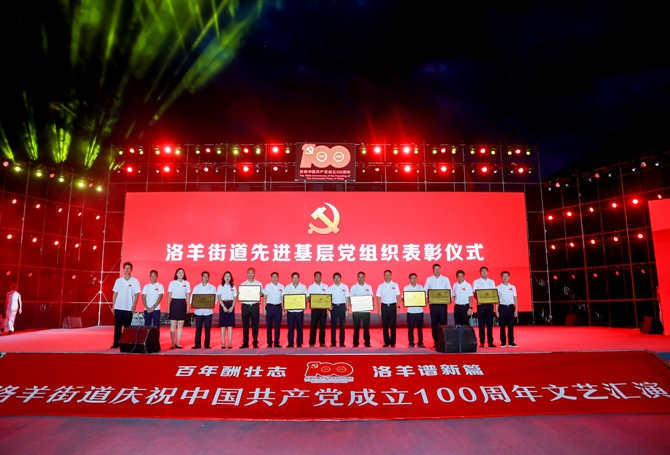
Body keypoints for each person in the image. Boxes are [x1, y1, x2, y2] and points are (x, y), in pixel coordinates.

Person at [111, 262, 141, 348]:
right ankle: (116, 343)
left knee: (127, 327)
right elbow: (115, 293)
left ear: (131, 269)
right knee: (117, 326)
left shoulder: (135, 281)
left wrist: (134, 305)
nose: (127, 269)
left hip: (129, 307)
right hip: (118, 307)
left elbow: (136, 294)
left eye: (129, 268)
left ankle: (126, 343)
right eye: (125, 268)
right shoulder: (118, 281)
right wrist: (113, 305)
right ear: (123, 269)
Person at [424, 263, 451, 347]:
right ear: (433, 270)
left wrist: (449, 299)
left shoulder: (445, 279)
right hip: (433, 305)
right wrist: (427, 300)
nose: (437, 270)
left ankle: (444, 341)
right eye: (435, 269)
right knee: (434, 324)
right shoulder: (429, 279)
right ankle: (436, 341)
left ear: (440, 269)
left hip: (443, 305)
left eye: (438, 269)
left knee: (443, 323)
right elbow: (425, 291)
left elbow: (449, 290)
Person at [190, 271, 217, 349]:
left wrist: (210, 304)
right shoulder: (196, 287)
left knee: (207, 328)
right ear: (201, 277)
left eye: (207, 276)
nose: (206, 278)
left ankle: (207, 344)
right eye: (204, 276)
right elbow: (192, 299)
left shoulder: (212, 288)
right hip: (198, 312)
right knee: (198, 328)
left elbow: (215, 300)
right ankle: (197, 344)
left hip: (208, 312)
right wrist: (195, 304)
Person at [473, 266, 497, 348]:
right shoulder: (476, 282)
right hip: (481, 306)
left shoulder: (492, 282)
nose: (484, 273)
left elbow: (493, 293)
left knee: (490, 324)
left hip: (490, 305)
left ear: (488, 272)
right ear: (480, 273)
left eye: (485, 271)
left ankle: (490, 342)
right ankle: (482, 342)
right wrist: (480, 299)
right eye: (482, 271)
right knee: (481, 324)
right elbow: (474, 294)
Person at [167, 267, 190, 349]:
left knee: (180, 324)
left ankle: (178, 343)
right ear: (176, 274)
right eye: (179, 272)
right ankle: (173, 343)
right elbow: (169, 295)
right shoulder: (172, 283)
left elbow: (187, 295)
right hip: (174, 303)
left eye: (182, 272)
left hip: (182, 303)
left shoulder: (187, 283)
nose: (181, 274)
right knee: (173, 324)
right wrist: (168, 307)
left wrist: (188, 306)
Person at [239, 267, 263, 349]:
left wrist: (261, 294)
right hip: (245, 306)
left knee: (255, 325)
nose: (250, 274)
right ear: (247, 274)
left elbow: (262, 294)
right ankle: (245, 343)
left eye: (252, 272)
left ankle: (255, 342)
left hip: (254, 306)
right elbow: (240, 296)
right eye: (249, 272)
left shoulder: (259, 284)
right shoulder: (243, 284)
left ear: (254, 274)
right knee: (245, 326)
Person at [376, 269, 400, 347]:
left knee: (393, 325)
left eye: (388, 274)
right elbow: (378, 297)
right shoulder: (381, 286)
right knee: (385, 325)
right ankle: (386, 342)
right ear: (384, 276)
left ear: (391, 275)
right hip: (384, 307)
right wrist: (379, 309)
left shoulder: (395, 285)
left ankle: (393, 342)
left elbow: (398, 296)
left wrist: (398, 307)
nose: (387, 276)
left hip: (393, 306)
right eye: (385, 275)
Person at [349, 271, 374, 347]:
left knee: (366, 328)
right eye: (359, 277)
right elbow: (350, 298)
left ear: (364, 277)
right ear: (357, 278)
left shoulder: (368, 287)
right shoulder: (353, 287)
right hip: (356, 311)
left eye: (362, 277)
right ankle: (355, 343)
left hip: (366, 311)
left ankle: (367, 342)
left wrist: (372, 304)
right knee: (356, 328)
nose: (361, 278)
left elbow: (371, 297)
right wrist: (351, 304)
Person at [284, 272, 308, 348]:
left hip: (299, 311)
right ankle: (290, 343)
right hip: (290, 311)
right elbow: (285, 297)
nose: (295, 279)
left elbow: (306, 297)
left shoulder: (303, 287)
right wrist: (284, 306)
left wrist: (305, 305)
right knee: (290, 328)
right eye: (294, 278)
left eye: (296, 278)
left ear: (298, 278)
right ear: (292, 278)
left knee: (300, 328)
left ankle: (299, 343)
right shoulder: (288, 287)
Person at [141, 270, 164, 348]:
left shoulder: (160, 286)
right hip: (147, 310)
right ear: (150, 276)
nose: (153, 277)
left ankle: (156, 344)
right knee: (147, 327)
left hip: (156, 310)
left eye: (154, 275)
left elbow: (160, 297)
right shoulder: (146, 286)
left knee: (156, 327)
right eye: (152, 275)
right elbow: (143, 297)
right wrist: (147, 307)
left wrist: (153, 307)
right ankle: (147, 344)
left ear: (157, 276)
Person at [496, 271, 518, 347]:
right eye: (503, 276)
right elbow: (496, 300)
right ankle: (503, 342)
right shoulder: (498, 287)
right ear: (501, 278)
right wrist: (496, 310)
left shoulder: (513, 287)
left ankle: (511, 342)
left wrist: (516, 310)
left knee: (511, 326)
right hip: (502, 308)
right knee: (502, 326)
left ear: (509, 277)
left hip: (511, 308)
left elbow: (515, 299)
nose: (505, 278)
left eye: (506, 276)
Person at [263, 272, 284, 348]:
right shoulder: (268, 286)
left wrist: (283, 309)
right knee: (269, 326)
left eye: (276, 277)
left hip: (278, 307)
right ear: (271, 278)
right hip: (269, 307)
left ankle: (276, 343)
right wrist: (264, 308)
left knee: (277, 327)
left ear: (278, 278)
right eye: (273, 277)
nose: (274, 278)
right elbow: (265, 298)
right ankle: (269, 343)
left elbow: (282, 298)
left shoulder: (281, 286)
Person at [404, 273, 425, 348]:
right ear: (410, 279)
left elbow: (423, 297)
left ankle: (420, 343)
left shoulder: (420, 287)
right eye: (412, 278)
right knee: (410, 328)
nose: (414, 280)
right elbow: (403, 298)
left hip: (419, 311)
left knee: (420, 328)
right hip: (411, 311)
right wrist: (405, 300)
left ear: (416, 278)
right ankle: (411, 343)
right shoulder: (406, 288)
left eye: (415, 278)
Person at [308, 271, 329, 347]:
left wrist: (328, 306)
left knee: (323, 326)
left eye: (319, 276)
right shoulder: (311, 287)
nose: (318, 278)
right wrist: (310, 303)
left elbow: (328, 297)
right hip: (314, 309)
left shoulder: (325, 286)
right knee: (313, 325)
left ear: (321, 277)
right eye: (316, 276)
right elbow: (309, 297)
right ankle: (312, 342)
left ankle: (322, 342)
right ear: (314, 277)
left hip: (323, 309)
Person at [328, 272, 349, 347]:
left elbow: (347, 298)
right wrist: (328, 310)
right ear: (333, 279)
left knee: (342, 326)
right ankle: (333, 343)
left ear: (340, 278)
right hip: (333, 307)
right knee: (333, 326)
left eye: (338, 277)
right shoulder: (330, 288)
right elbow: (328, 299)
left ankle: (342, 343)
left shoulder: (345, 287)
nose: (336, 279)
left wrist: (347, 309)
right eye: (335, 278)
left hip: (342, 307)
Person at [217, 271, 237, 349]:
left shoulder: (233, 287)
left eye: (229, 276)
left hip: (231, 305)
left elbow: (234, 298)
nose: (227, 277)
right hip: (223, 305)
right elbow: (219, 298)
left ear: (231, 278)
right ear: (223, 278)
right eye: (226, 276)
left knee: (230, 325)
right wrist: (223, 307)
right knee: (223, 325)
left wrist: (232, 307)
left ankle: (229, 342)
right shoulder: (220, 286)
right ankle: (223, 342)